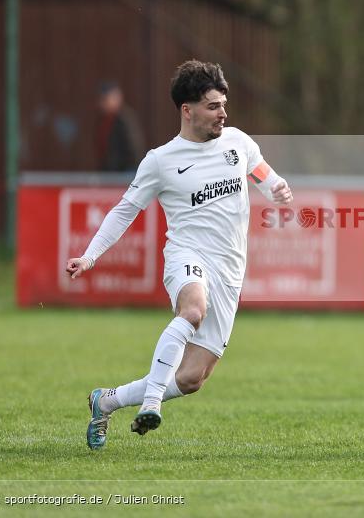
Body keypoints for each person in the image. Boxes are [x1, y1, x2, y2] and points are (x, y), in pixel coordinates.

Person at [66, 60, 293, 450]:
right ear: (187, 111)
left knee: (191, 379)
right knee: (192, 309)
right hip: (187, 255)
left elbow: (266, 179)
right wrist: (90, 256)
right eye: (212, 106)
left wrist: (279, 190)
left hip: (230, 270)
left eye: (223, 104)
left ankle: (106, 401)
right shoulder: (161, 160)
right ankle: (152, 402)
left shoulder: (239, 143)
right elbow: (125, 210)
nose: (223, 113)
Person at [95, 82, 146, 172]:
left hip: (126, 170)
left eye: (106, 99)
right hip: (110, 170)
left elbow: (133, 148)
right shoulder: (102, 120)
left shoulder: (124, 119)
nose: (103, 103)